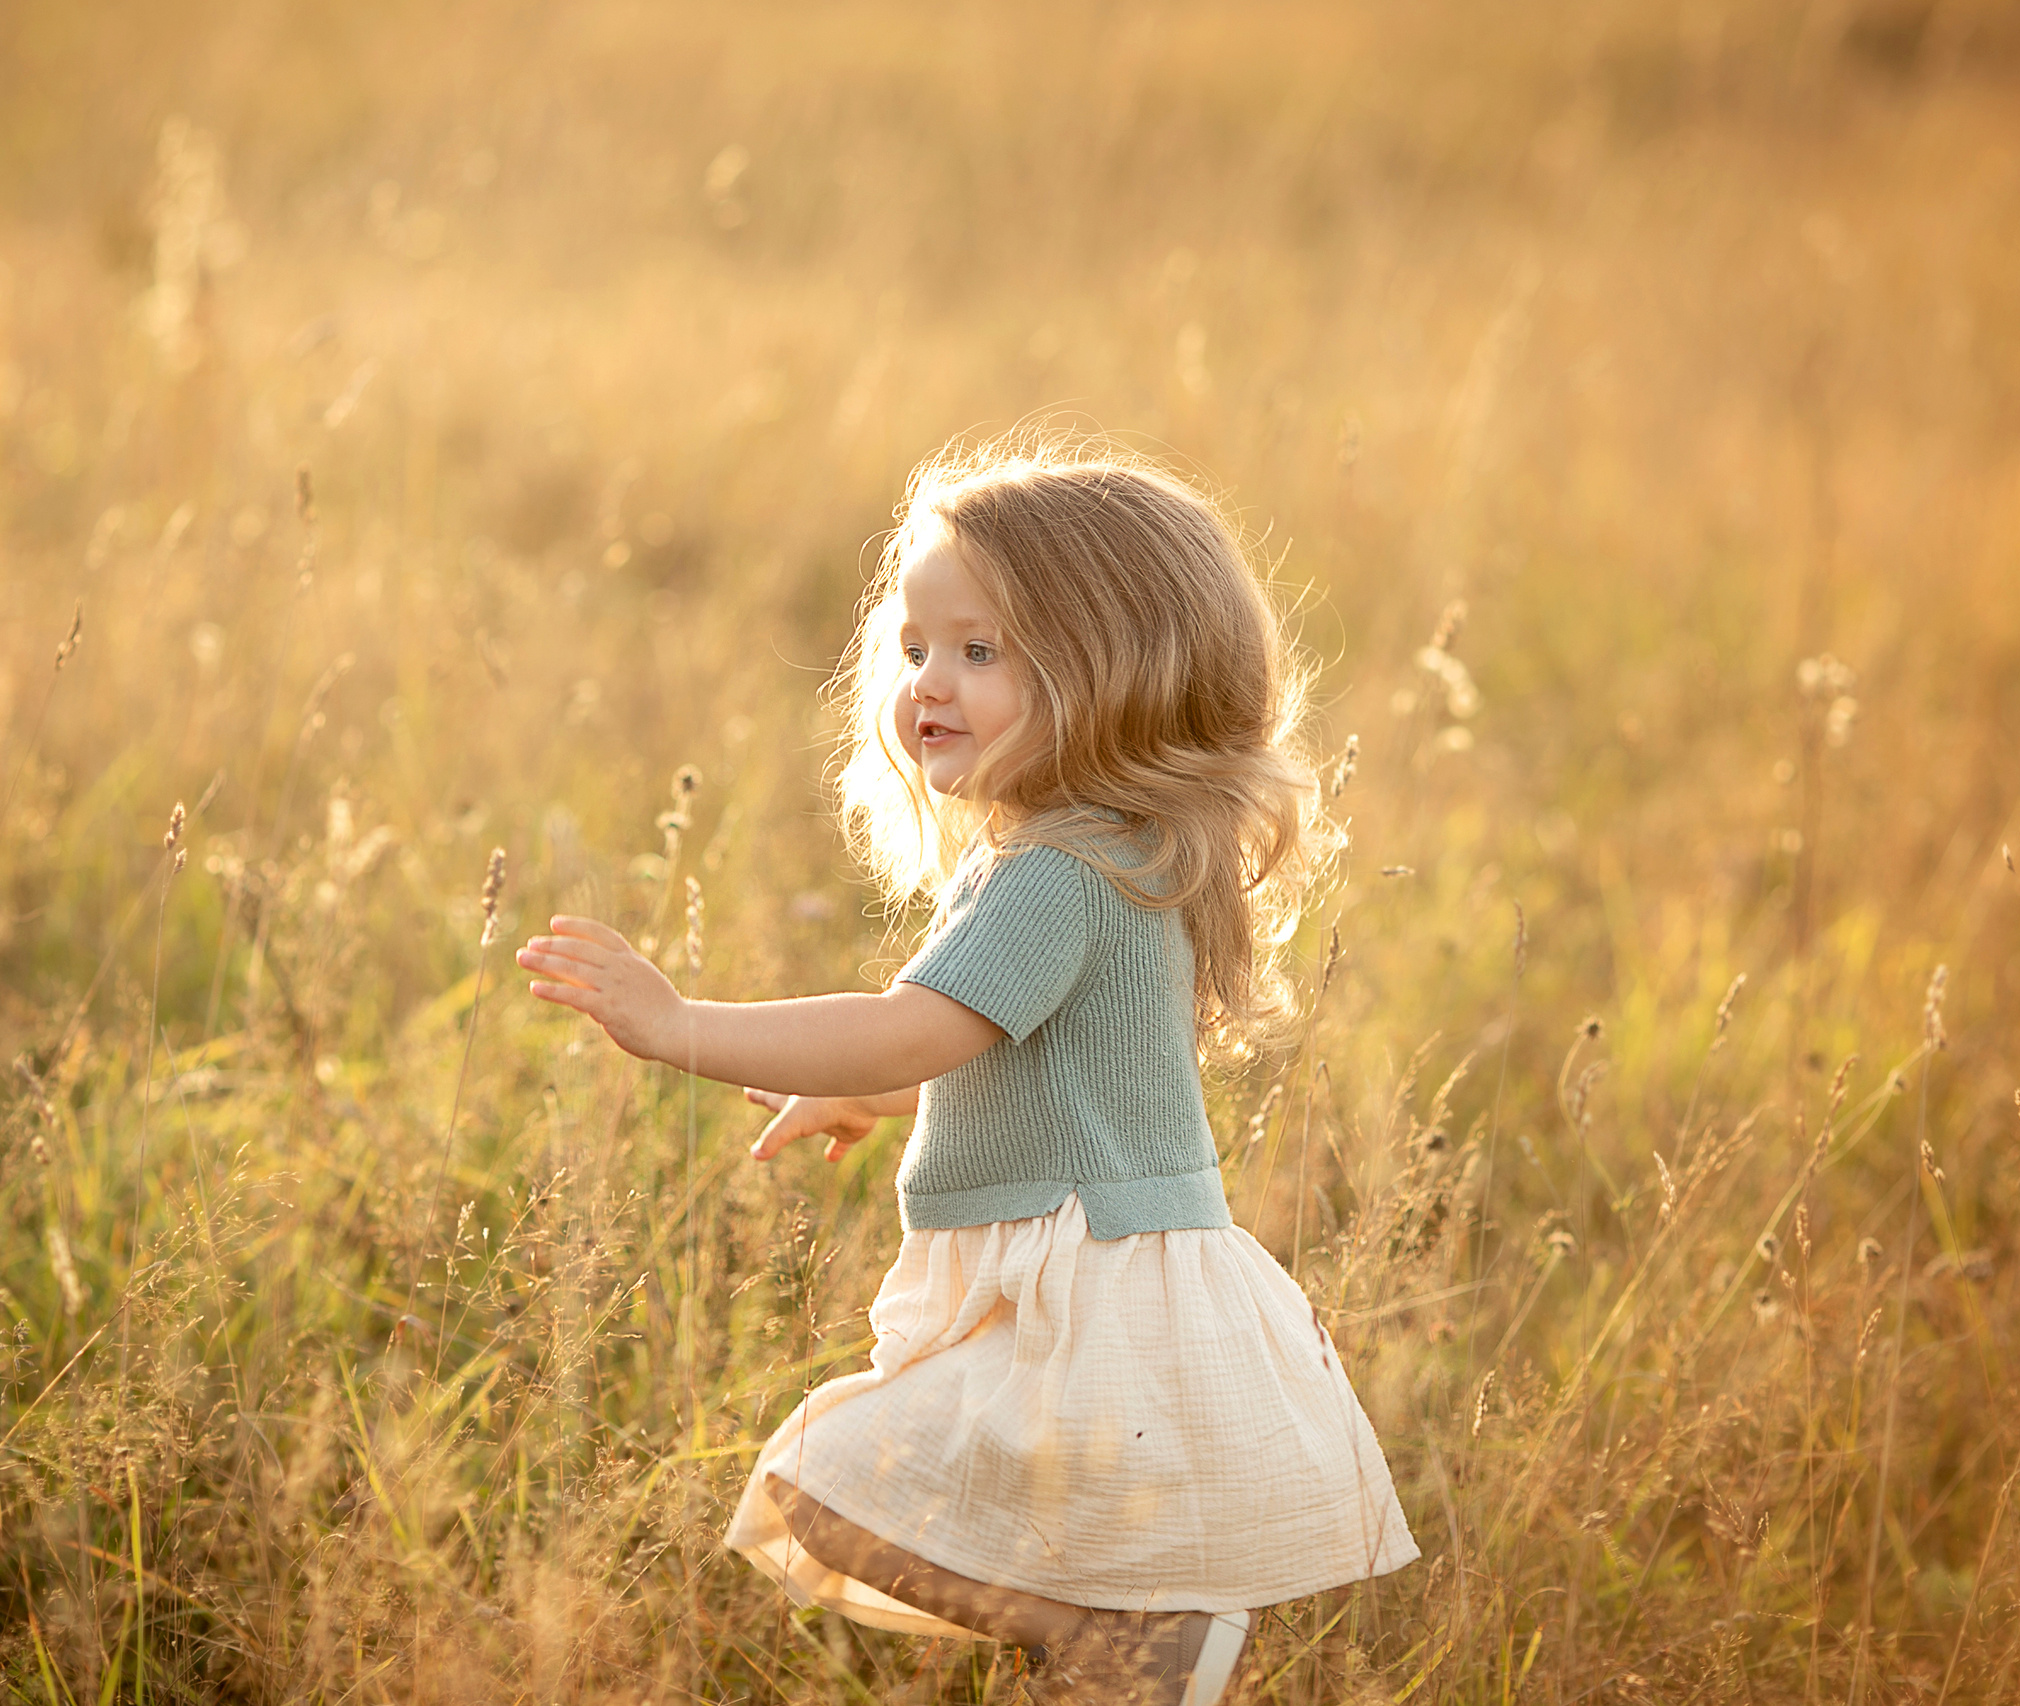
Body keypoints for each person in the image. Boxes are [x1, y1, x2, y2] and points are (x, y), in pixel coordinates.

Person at [516, 434, 1418, 1704]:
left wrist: (682, 1024)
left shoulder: (1052, 872)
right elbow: (1001, 1058)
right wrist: (868, 1093)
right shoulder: (1119, 848)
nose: (929, 683)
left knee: (822, 1485)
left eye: (980, 651)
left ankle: (1110, 1641)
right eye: (914, 647)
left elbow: (915, 1027)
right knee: (892, 1505)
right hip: (1099, 1265)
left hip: (1081, 1282)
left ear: (1114, 670)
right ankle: (1117, 1645)